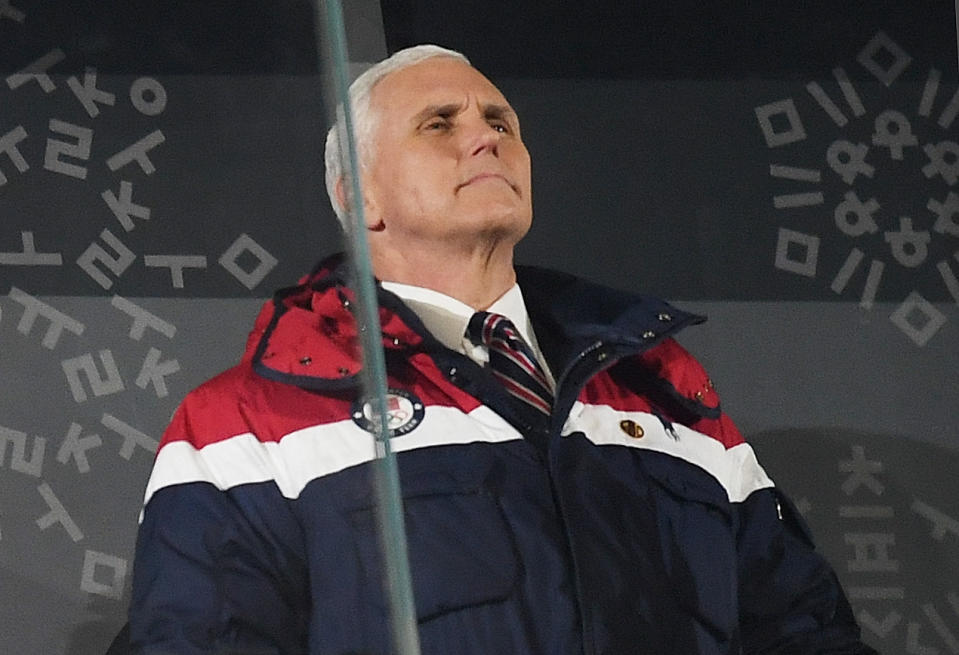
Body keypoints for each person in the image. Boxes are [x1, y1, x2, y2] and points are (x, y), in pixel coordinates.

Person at [128, 44, 874, 654]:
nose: (485, 135)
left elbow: (800, 629)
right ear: (361, 197)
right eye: (438, 124)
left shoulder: (662, 386)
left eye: (499, 120)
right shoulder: (244, 423)